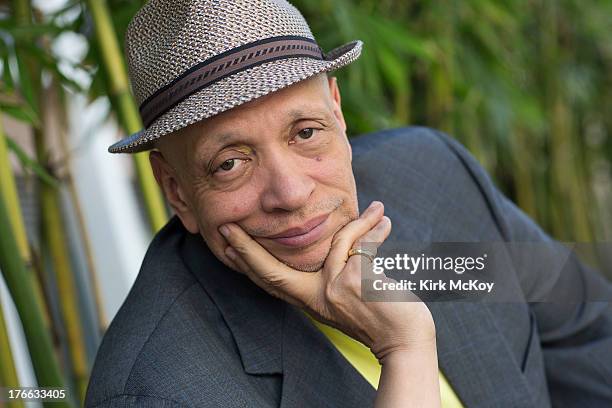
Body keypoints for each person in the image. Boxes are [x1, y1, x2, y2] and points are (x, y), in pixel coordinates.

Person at [85, 0, 612, 407]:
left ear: (336, 110)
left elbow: (590, 331)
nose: (291, 194)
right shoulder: (161, 391)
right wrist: (404, 351)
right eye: (230, 163)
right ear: (176, 189)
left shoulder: (429, 175)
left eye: (306, 132)